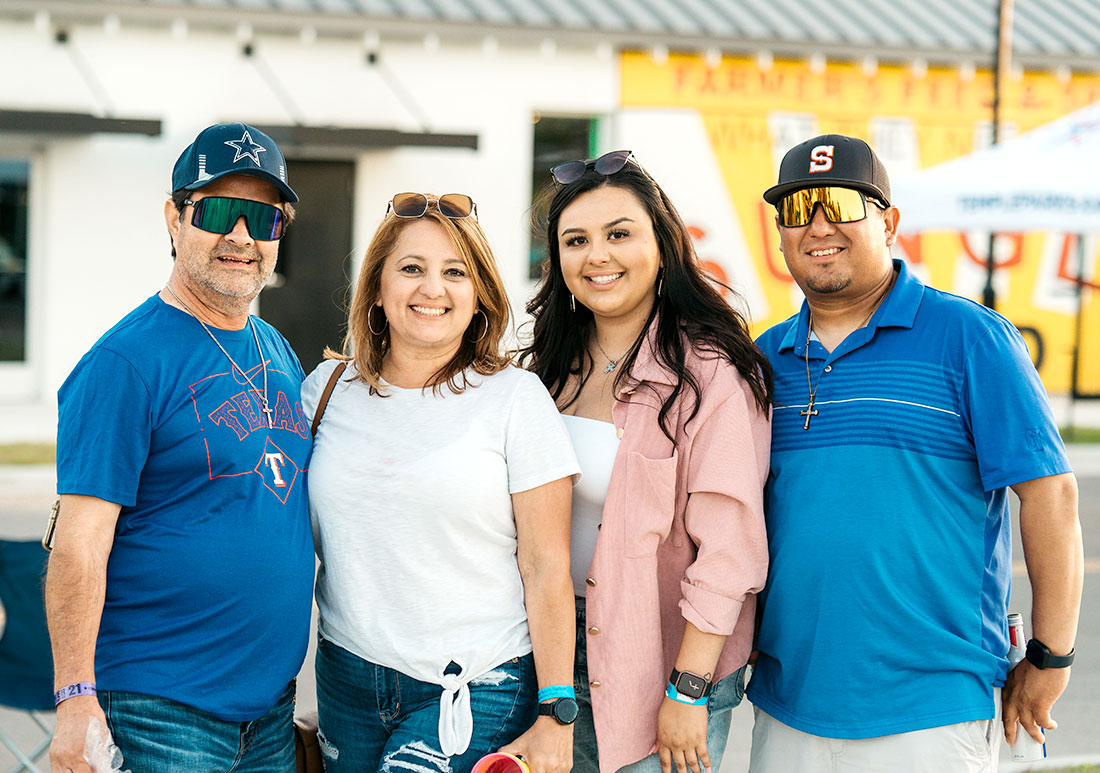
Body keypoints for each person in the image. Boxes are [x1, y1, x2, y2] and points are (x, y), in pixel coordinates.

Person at [747, 134, 1083, 772]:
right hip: (789, 702)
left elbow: (1051, 493)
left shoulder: (970, 337)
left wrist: (1051, 654)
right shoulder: (765, 359)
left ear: (890, 222)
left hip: (933, 706)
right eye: (797, 210)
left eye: (841, 203)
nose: (819, 226)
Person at [47, 123, 314, 773]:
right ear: (175, 217)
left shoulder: (276, 348)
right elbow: (78, 540)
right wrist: (75, 698)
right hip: (158, 709)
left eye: (263, 218)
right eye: (220, 211)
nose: (242, 237)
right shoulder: (124, 361)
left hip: (269, 712)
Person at [302, 192, 580, 773]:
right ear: (377, 288)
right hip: (347, 675)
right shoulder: (326, 390)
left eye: (455, 273)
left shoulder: (514, 398)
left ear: (478, 296)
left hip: (475, 680)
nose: (433, 289)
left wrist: (555, 710)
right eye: (411, 269)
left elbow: (547, 565)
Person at [520, 151, 772, 773]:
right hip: (545, 654)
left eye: (619, 234)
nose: (597, 256)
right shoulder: (542, 372)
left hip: (661, 659)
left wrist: (688, 689)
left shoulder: (709, 373)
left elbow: (730, 549)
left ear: (662, 245)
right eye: (575, 240)